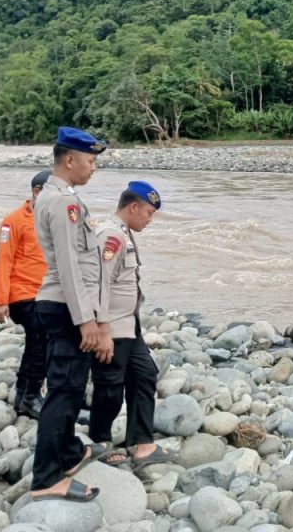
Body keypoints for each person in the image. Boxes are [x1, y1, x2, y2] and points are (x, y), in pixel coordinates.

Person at [29, 126, 111, 503]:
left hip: (62, 304)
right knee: (64, 392)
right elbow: (68, 264)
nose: (93, 168)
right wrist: (87, 319)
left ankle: (69, 453)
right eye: (91, 161)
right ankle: (46, 478)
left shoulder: (57, 196)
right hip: (65, 307)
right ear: (70, 160)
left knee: (70, 387)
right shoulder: (64, 203)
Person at [89, 181, 175, 468]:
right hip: (111, 325)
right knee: (110, 386)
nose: (150, 220)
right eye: (148, 213)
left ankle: (142, 444)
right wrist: (102, 331)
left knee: (144, 374)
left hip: (130, 324)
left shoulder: (124, 234)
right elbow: (97, 285)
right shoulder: (110, 236)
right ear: (133, 207)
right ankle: (100, 441)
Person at [0, 169, 52, 419]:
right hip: (23, 294)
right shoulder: (14, 221)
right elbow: (3, 261)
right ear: (37, 192)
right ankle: (30, 396)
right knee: (40, 339)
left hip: (47, 293)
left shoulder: (51, 219)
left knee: (37, 342)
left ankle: (22, 396)